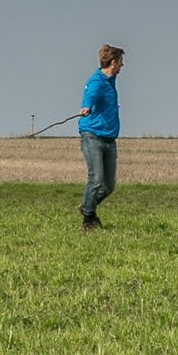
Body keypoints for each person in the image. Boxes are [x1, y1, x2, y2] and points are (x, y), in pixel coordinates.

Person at [75, 43, 123, 231]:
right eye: (120, 62)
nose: (121, 66)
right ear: (113, 63)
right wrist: (87, 106)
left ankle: (87, 206)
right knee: (96, 179)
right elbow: (90, 94)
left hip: (109, 138)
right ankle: (88, 220)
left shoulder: (110, 80)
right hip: (92, 136)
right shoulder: (96, 81)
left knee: (108, 186)